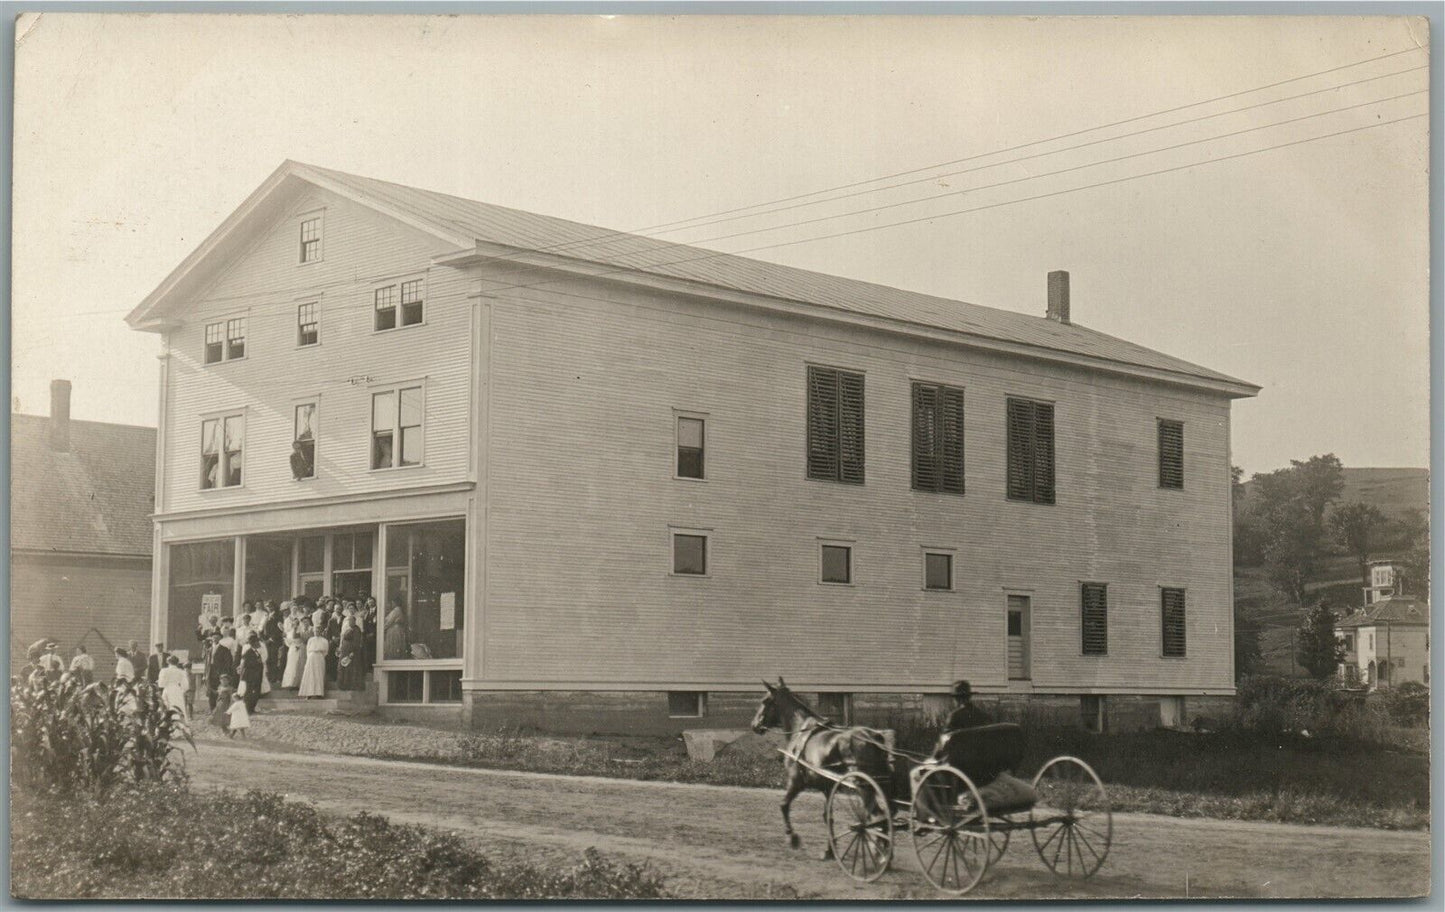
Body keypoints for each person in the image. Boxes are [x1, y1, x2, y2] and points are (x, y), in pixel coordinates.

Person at [207, 634, 236, 711]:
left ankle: (220, 709)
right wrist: (205, 674)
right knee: (211, 691)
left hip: (220, 673)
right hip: (210, 672)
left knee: (221, 691)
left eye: (217, 637)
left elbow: (228, 663)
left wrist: (224, 674)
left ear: (220, 638)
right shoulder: (209, 649)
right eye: (213, 637)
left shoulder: (224, 649)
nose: (215, 639)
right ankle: (212, 709)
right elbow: (207, 663)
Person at [157, 655, 190, 722]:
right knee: (179, 707)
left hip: (167, 690)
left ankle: (167, 723)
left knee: (167, 707)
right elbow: (186, 686)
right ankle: (180, 724)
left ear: (168, 662)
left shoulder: (164, 671)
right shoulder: (181, 671)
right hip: (177, 690)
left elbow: (161, 684)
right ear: (177, 663)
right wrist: (181, 690)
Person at [298, 628, 329, 699]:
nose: (316, 632)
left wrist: (319, 655)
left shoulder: (324, 641)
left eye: (318, 631)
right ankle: (309, 694)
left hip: (320, 657)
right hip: (311, 658)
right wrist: (311, 656)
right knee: (310, 675)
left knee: (319, 675)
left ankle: (319, 693)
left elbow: (326, 651)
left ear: (321, 632)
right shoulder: (310, 640)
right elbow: (307, 650)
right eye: (315, 631)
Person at [238, 636, 265, 714]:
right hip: (251, 676)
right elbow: (246, 664)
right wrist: (257, 662)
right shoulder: (248, 652)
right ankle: (247, 709)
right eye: (257, 642)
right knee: (249, 692)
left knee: (256, 692)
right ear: (253, 643)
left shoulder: (256, 652)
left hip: (256, 676)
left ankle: (251, 708)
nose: (259, 643)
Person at [336, 626, 365, 692]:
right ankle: (343, 685)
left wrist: (351, 654)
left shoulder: (351, 643)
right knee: (344, 671)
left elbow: (354, 650)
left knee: (347, 671)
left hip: (348, 658)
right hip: (344, 657)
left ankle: (346, 685)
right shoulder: (345, 643)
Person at [281, 620, 306, 689]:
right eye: (294, 623)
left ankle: (298, 683)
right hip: (292, 649)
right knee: (291, 665)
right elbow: (288, 643)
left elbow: (300, 639)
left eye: (297, 623)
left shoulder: (301, 631)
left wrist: (299, 645)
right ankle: (290, 683)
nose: (295, 625)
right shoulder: (289, 632)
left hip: (300, 648)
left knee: (299, 664)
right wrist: (285, 637)